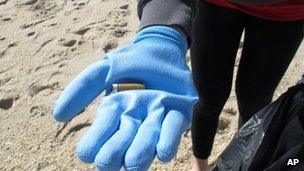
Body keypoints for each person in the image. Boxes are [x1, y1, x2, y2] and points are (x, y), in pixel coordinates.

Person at [53, 0, 304, 170]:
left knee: (256, 101)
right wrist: (161, 26)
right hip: (213, 5)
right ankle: (200, 163)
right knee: (206, 97)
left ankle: (247, 157)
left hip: (288, 11)